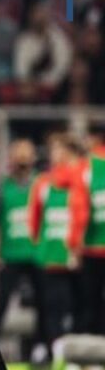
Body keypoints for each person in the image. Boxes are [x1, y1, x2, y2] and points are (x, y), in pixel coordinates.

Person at [29, 134, 88, 356]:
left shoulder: (83, 180)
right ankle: (54, 352)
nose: (56, 155)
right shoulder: (43, 183)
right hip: (51, 255)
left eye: (60, 150)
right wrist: (40, 246)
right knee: (52, 306)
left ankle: (79, 354)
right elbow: (34, 219)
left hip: (78, 255)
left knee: (81, 306)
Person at [0, 139, 40, 346]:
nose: (22, 160)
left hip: (36, 253)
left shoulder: (40, 183)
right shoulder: (3, 187)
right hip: (10, 254)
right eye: (18, 155)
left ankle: (39, 348)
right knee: (1, 302)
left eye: (26, 155)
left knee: (42, 303)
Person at [78, 129, 105, 335]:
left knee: (90, 300)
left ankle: (92, 341)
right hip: (94, 244)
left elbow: (79, 208)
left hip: (91, 245)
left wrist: (75, 240)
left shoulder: (86, 167)